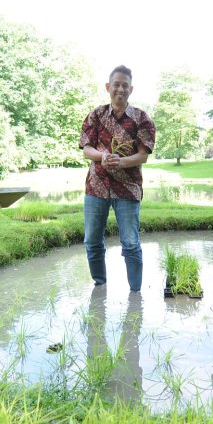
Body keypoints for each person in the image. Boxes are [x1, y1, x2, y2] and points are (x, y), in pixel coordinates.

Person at [79, 65, 156, 292]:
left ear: (131, 89)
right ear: (108, 87)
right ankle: (100, 287)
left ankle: (135, 295)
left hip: (128, 189)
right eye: (116, 84)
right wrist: (102, 156)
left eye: (125, 85)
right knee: (92, 241)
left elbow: (143, 155)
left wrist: (120, 162)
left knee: (130, 243)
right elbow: (86, 149)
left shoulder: (142, 119)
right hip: (96, 187)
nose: (120, 89)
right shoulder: (96, 115)